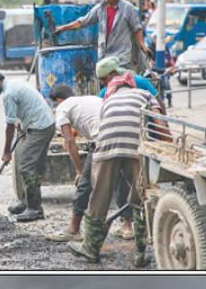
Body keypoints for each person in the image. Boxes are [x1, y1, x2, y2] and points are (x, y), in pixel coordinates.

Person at [68, 61, 162, 266]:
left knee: (98, 198)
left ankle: (90, 250)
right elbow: (160, 122)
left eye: (104, 80)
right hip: (134, 146)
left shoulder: (107, 99)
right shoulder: (144, 93)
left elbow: (104, 127)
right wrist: (169, 147)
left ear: (113, 81)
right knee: (140, 197)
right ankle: (140, 255)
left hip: (107, 147)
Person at [0, 69, 56, 221]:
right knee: (36, 167)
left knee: (26, 167)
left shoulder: (8, 94)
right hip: (48, 124)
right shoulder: (17, 82)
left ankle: (34, 208)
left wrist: (6, 151)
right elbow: (24, 110)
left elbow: (9, 126)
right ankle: (27, 201)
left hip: (39, 127)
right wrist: (22, 128)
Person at [45, 83, 105, 242]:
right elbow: (87, 118)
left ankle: (74, 229)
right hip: (121, 134)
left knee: (84, 183)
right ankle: (128, 226)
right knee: (122, 181)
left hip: (102, 140)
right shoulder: (89, 99)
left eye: (55, 103)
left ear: (58, 100)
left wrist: (79, 171)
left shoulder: (62, 107)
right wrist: (73, 133)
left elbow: (69, 142)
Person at [54, 0, 150, 73]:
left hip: (121, 59)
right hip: (104, 58)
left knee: (121, 85)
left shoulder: (128, 9)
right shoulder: (100, 8)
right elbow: (83, 22)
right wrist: (62, 28)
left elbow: (137, 29)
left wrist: (143, 46)